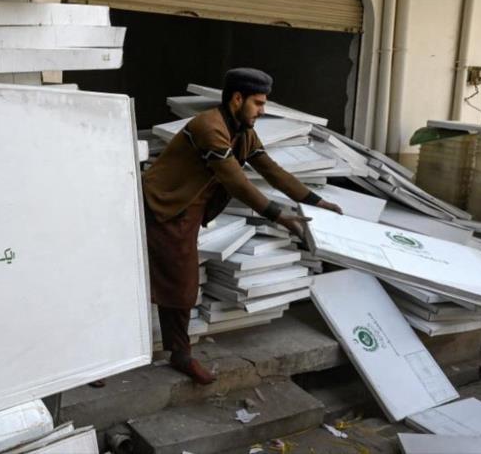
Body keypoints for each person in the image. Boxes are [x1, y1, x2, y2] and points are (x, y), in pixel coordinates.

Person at [142, 68, 343, 385]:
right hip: (163, 204)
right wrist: (279, 215)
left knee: (171, 284)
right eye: (259, 103)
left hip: (187, 209)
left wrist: (316, 201)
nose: (262, 111)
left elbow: (271, 170)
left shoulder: (243, 131)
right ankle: (112, 359)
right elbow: (234, 180)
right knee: (164, 283)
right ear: (237, 99)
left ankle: (175, 353)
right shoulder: (210, 127)